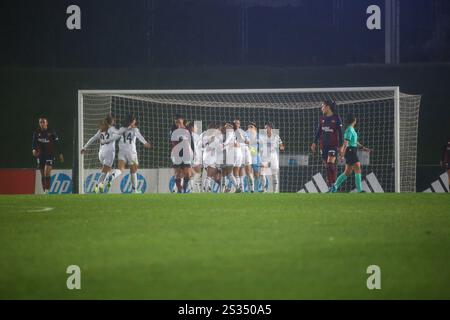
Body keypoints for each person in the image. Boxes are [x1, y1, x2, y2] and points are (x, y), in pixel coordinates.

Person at [81, 115, 127, 193]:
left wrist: (84, 147)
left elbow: (93, 138)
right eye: (113, 121)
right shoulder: (112, 129)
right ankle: (97, 186)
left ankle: (102, 185)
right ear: (111, 122)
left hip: (101, 153)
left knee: (107, 170)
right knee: (105, 171)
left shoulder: (101, 130)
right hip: (109, 153)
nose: (114, 122)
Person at [330, 114, 370, 193]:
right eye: (355, 119)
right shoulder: (349, 130)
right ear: (354, 121)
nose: (356, 120)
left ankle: (335, 186)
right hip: (350, 151)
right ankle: (359, 190)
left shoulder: (351, 129)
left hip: (352, 150)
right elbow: (346, 143)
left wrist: (362, 147)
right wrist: (342, 154)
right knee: (357, 168)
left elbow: (354, 141)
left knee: (347, 172)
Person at [112, 114, 151, 193]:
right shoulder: (135, 130)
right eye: (134, 120)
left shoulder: (122, 129)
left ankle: (113, 176)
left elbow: (114, 136)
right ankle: (134, 190)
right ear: (132, 121)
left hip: (122, 151)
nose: (135, 121)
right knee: (134, 170)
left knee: (120, 169)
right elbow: (140, 137)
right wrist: (145, 143)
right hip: (131, 152)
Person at [311, 100, 343, 187]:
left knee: (330, 164)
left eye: (323, 106)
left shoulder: (336, 118)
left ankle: (332, 183)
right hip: (323, 145)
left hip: (333, 145)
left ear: (328, 107)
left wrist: (340, 146)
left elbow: (341, 133)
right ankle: (331, 184)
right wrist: (314, 142)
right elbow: (319, 131)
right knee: (327, 166)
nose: (322, 108)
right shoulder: (322, 119)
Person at [32, 116, 64, 194]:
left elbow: (57, 143)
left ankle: (47, 190)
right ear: (39, 123)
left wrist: (60, 153)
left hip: (50, 155)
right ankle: (44, 191)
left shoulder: (51, 132)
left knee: (47, 172)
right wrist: (33, 150)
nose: (42, 124)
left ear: (47, 123)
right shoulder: (36, 133)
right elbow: (33, 144)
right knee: (43, 174)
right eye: (40, 122)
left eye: (43, 122)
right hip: (40, 156)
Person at [170, 115, 194, 193]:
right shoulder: (173, 130)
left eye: (179, 121)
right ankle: (179, 190)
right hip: (177, 154)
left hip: (186, 153)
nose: (177, 123)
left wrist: (193, 152)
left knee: (187, 173)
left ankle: (184, 189)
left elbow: (191, 142)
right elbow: (172, 142)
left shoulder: (187, 130)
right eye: (176, 122)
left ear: (183, 120)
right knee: (178, 173)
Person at [259, 122, 285, 193]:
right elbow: (259, 145)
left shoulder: (276, 136)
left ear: (270, 128)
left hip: (273, 156)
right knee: (262, 173)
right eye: (264, 128)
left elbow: (281, 145)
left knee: (274, 174)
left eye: (266, 127)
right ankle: (264, 190)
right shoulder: (262, 136)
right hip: (265, 155)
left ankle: (275, 192)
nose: (265, 129)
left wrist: (281, 147)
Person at [234, 118, 253, 192]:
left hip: (245, 151)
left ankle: (252, 189)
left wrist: (243, 139)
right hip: (237, 153)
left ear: (239, 124)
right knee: (239, 171)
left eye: (238, 123)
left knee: (248, 171)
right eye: (235, 123)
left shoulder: (243, 132)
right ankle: (241, 189)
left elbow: (248, 141)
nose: (236, 124)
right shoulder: (230, 132)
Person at [247, 122, 261, 192]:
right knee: (248, 173)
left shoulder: (258, 135)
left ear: (255, 128)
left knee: (257, 174)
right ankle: (249, 189)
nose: (250, 128)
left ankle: (257, 189)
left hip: (256, 157)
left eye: (251, 126)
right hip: (248, 157)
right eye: (249, 127)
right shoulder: (246, 135)